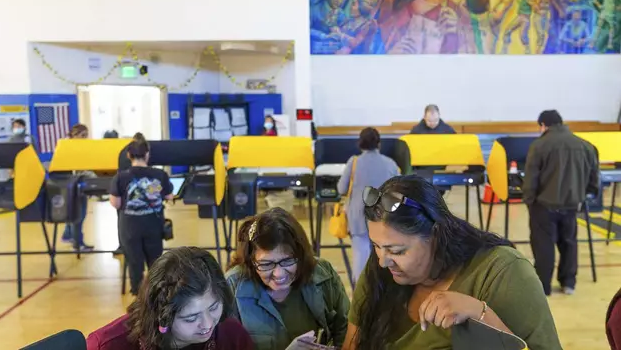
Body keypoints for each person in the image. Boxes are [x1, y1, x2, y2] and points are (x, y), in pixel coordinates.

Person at [342, 175, 562, 350]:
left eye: (397, 251)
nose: (382, 261)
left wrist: (480, 314)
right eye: (376, 246)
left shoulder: (501, 273)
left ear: (436, 235)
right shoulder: (379, 273)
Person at [226, 207, 350, 350]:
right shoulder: (233, 286)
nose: (278, 274)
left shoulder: (322, 274)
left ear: (302, 255)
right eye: (266, 264)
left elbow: (346, 331)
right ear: (250, 261)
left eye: (287, 261)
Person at [86, 247, 254, 350]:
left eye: (214, 307)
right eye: (191, 318)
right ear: (162, 316)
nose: (208, 325)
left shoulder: (232, 335)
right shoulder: (107, 345)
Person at [523, 110, 599, 296]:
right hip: (573, 204)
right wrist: (585, 195)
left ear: (543, 125)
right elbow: (594, 178)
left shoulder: (539, 146)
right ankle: (568, 283)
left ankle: (544, 286)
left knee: (544, 245)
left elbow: (531, 178)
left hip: (544, 204)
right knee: (569, 242)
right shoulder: (585, 145)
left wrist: (529, 200)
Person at [110, 139, 173, 295]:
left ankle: (139, 298)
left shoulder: (121, 177)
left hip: (130, 227)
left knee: (134, 263)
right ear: (147, 154)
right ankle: (156, 295)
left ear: (128, 155)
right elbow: (168, 196)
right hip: (153, 225)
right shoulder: (159, 175)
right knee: (155, 263)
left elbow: (116, 203)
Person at [337, 127, 400, 283]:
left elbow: (341, 189)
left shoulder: (354, 162)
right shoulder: (390, 163)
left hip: (359, 216)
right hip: (385, 216)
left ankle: (361, 293)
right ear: (379, 144)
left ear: (361, 144)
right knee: (385, 253)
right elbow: (400, 188)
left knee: (361, 256)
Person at [61, 123, 95, 251]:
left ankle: (69, 235)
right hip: (74, 185)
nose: (85, 138)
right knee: (79, 214)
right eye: (83, 135)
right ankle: (78, 243)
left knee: (74, 213)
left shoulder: (68, 146)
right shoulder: (71, 148)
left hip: (73, 184)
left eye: (86, 135)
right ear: (74, 135)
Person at [114, 132, 147, 256]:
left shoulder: (123, 152)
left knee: (123, 221)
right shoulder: (146, 157)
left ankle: (123, 246)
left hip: (124, 193)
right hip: (141, 194)